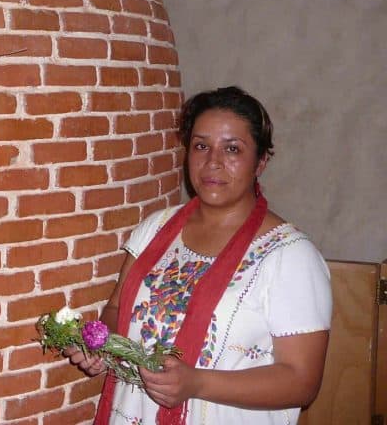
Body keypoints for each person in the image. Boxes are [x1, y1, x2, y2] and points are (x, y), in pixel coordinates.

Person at [64, 86, 332, 425]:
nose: (213, 162)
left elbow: (301, 381)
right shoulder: (156, 229)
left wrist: (198, 383)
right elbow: (117, 308)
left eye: (232, 149)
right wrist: (104, 344)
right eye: (201, 146)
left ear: (261, 162)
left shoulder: (289, 256)